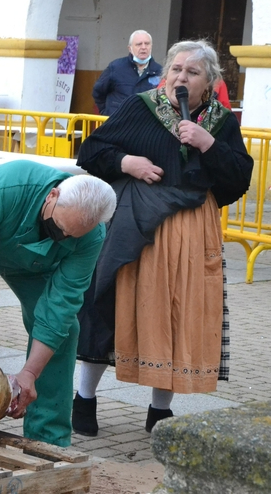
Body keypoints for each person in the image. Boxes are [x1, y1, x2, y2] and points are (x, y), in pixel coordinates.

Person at [73, 40, 253, 437]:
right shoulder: (142, 107)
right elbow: (91, 150)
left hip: (193, 231)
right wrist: (127, 163)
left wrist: (208, 145)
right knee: (109, 305)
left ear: (210, 82)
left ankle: (159, 412)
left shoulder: (221, 123)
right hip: (137, 226)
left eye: (192, 72)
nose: (181, 78)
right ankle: (83, 400)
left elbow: (239, 177)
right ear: (165, 72)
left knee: (179, 316)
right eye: (176, 69)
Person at [0, 161, 117, 447]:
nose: (63, 238)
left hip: (33, 264)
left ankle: (48, 441)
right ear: (52, 196)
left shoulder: (91, 236)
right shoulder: (1, 189)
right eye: (59, 229)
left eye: (72, 236)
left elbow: (61, 304)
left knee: (65, 331)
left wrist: (29, 373)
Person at [92, 30, 162, 116]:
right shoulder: (116, 67)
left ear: (151, 46)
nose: (143, 47)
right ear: (130, 48)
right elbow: (98, 91)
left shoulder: (160, 71)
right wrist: (106, 112)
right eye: (139, 44)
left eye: (147, 43)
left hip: (143, 125)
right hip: (117, 123)